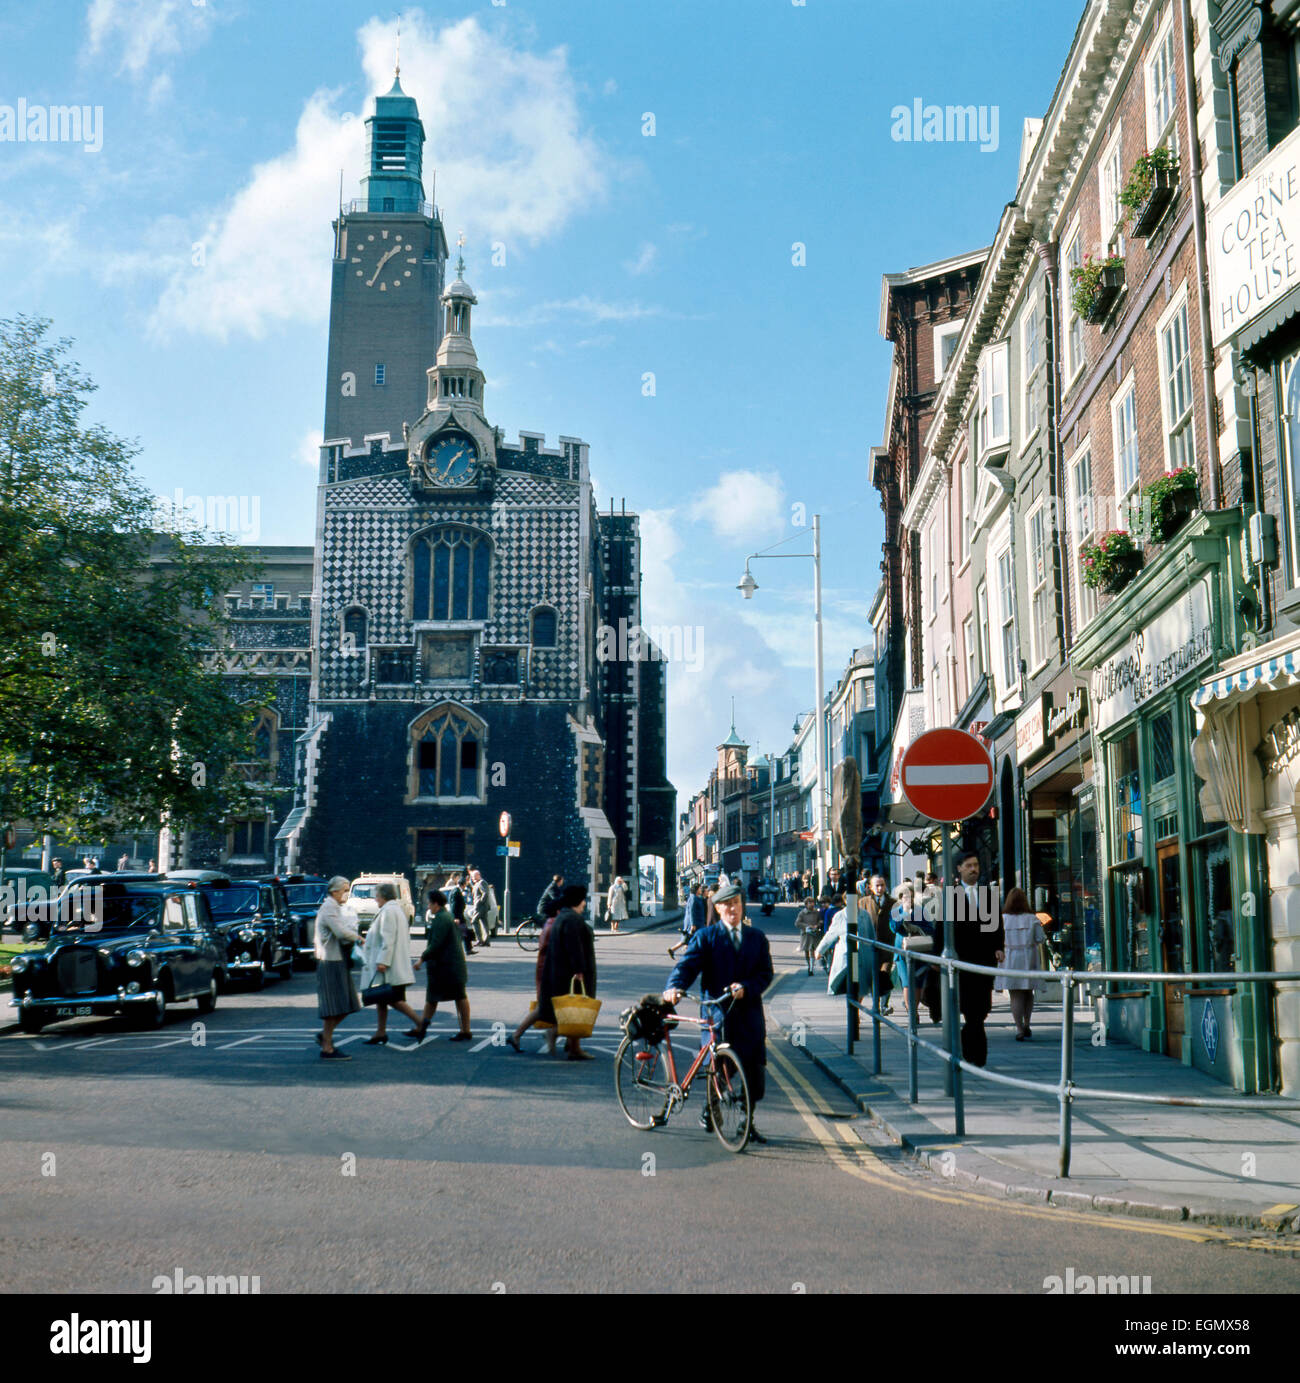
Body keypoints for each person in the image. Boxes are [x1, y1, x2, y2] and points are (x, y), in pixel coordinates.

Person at [664, 881, 774, 1144]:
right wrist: (674, 987)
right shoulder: (706, 937)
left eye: (735, 903)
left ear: (741, 905)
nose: (732, 908)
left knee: (754, 1073)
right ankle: (711, 1110)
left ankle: (747, 1123)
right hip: (718, 1014)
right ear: (717, 908)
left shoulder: (756, 938)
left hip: (749, 1015)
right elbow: (686, 967)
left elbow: (765, 974)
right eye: (726, 904)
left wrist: (746, 987)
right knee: (719, 1067)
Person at [946, 851, 1005, 1067]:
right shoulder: (951, 895)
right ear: (959, 868)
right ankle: (977, 1056)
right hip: (961, 961)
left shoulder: (988, 893)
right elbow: (942, 929)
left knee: (981, 1009)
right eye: (969, 865)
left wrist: (999, 947)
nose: (974, 869)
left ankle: (970, 1045)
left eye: (976, 864)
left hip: (984, 960)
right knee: (972, 1011)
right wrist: (938, 956)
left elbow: (997, 923)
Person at [359, 881, 421, 1044]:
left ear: (384, 896)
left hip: (389, 966)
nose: (375, 899)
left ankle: (421, 1023)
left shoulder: (388, 911)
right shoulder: (395, 910)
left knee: (393, 999)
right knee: (381, 998)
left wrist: (383, 961)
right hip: (392, 963)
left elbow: (388, 939)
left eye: (377, 896)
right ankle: (380, 1031)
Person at [541, 883, 597, 1060]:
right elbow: (575, 947)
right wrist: (579, 969)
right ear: (579, 901)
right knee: (576, 1009)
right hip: (571, 973)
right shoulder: (572, 919)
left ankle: (574, 1047)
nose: (585, 904)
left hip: (561, 971)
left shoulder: (564, 917)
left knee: (573, 1010)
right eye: (584, 900)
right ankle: (567, 1043)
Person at [410, 889, 471, 1043]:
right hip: (448, 965)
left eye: (429, 903)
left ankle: (465, 1030)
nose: (428, 906)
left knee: (451, 996)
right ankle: (422, 1027)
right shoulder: (444, 916)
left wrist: (421, 959)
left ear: (436, 903)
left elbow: (436, 944)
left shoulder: (441, 918)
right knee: (441, 996)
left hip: (447, 966)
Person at [314, 876, 362, 1059]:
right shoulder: (328, 908)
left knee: (348, 1004)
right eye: (345, 889)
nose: (347, 893)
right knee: (335, 1006)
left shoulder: (335, 908)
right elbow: (341, 932)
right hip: (330, 961)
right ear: (334, 891)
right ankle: (327, 1046)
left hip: (338, 959)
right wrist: (358, 938)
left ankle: (325, 1037)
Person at [507, 907, 559, 1055]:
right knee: (547, 1007)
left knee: (548, 1007)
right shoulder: (553, 926)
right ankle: (518, 1035)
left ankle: (554, 1036)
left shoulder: (549, 925)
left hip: (545, 972)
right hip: (548, 974)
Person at [997, 887, 1046, 1041]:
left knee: (1015, 994)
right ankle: (1027, 1023)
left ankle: (1018, 1027)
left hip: (1009, 957)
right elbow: (1040, 938)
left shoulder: (1003, 919)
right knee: (1028, 991)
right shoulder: (1032, 918)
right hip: (1028, 956)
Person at [889, 882, 936, 1013]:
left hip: (919, 949)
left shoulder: (921, 910)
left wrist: (918, 928)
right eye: (904, 896)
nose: (907, 899)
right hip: (902, 952)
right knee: (907, 982)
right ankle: (911, 1013)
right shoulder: (895, 911)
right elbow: (894, 928)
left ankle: (914, 1008)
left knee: (918, 982)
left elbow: (930, 929)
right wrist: (904, 912)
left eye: (910, 896)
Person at [860, 875, 894, 1014]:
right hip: (870, 946)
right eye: (877, 885)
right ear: (870, 887)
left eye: (882, 885)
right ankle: (876, 1005)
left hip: (887, 945)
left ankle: (884, 1005)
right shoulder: (863, 902)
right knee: (874, 975)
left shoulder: (893, 903)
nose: (880, 888)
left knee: (884, 973)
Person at [668, 883, 704, 959]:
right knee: (689, 938)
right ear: (696, 889)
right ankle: (689, 954)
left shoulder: (696, 897)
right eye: (700, 888)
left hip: (697, 922)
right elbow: (692, 911)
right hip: (694, 923)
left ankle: (673, 950)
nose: (701, 890)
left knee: (688, 939)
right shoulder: (693, 898)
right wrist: (693, 924)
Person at [796, 895, 822, 975]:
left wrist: (817, 925)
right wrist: (807, 926)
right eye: (810, 903)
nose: (812, 904)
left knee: (812, 951)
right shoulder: (802, 913)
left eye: (813, 902)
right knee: (806, 951)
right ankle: (808, 965)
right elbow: (797, 923)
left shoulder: (817, 912)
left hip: (814, 934)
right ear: (806, 904)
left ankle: (811, 968)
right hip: (806, 935)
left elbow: (820, 921)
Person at [468, 868, 491, 948]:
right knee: (484, 923)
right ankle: (486, 941)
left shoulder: (482, 882)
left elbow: (485, 893)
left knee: (474, 921)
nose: (473, 878)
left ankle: (479, 940)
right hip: (481, 906)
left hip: (480, 906)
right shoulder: (477, 883)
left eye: (474, 877)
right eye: (472, 877)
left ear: (478, 875)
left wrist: (480, 902)